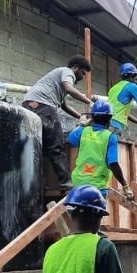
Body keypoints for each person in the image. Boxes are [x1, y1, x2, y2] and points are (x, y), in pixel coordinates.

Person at [22, 56, 94, 191]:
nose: (83, 76)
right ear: (76, 67)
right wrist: (89, 101)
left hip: (29, 105)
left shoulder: (55, 82)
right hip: (43, 106)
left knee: (39, 147)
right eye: (83, 73)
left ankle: (40, 184)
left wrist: (81, 117)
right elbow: (69, 88)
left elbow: (64, 106)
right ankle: (66, 183)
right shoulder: (67, 72)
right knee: (56, 145)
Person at [67, 100, 134, 201]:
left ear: (92, 117)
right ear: (110, 119)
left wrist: (82, 124)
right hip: (97, 187)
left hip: (78, 183)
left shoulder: (83, 131)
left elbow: (71, 140)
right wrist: (125, 185)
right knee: (96, 215)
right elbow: (113, 164)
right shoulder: (111, 137)